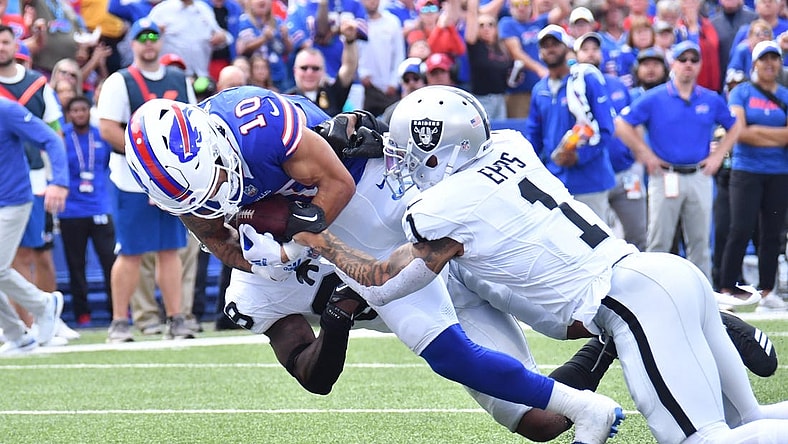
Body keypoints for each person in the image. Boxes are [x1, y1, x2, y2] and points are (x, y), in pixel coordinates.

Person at [124, 86, 626, 444]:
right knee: (539, 424)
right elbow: (223, 245)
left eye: (212, 179)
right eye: (196, 198)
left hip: (366, 204)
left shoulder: (257, 125)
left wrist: (295, 243)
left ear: (208, 141)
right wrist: (273, 261)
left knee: (548, 312)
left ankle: (624, 318)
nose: (214, 196)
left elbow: (337, 186)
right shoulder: (246, 282)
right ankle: (615, 342)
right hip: (340, 246)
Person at [294, 85, 788, 443]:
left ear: (435, 152)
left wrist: (321, 238)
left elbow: (382, 285)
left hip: (629, 301)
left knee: (700, 440)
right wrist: (384, 132)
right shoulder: (511, 143)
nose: (397, 163)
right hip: (665, 275)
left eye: (405, 152)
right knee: (749, 422)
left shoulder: (437, 211)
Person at [97, 17, 197, 342]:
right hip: (131, 177)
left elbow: (192, 125)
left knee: (171, 249)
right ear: (134, 44)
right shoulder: (119, 81)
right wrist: (150, 162)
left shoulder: (179, 79)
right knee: (130, 250)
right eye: (143, 37)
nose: (149, 42)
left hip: (171, 179)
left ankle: (176, 318)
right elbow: (109, 128)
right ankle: (119, 321)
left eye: (154, 36)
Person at [615, 40, 742, 282]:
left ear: (700, 65)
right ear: (673, 63)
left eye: (694, 60)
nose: (688, 65)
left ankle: (703, 300)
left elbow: (734, 126)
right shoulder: (655, 97)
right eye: (683, 59)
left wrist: (718, 156)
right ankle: (653, 295)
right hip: (665, 176)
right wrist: (645, 154)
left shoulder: (710, 98)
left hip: (699, 175)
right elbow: (621, 124)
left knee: (700, 243)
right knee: (659, 241)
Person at [721, 40, 788, 311]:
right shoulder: (742, 93)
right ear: (754, 63)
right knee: (740, 228)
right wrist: (778, 136)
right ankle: (727, 288)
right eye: (764, 59)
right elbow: (740, 131)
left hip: (779, 172)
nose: (770, 63)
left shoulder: (784, 93)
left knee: (773, 233)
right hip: (746, 170)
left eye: (775, 58)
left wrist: (755, 131)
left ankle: (766, 289)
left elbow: (750, 131)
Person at [525, 25, 616, 220]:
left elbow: (606, 128)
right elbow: (534, 136)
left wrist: (580, 156)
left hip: (590, 180)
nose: (550, 49)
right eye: (545, 45)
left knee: (598, 245)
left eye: (555, 44)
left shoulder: (586, 79)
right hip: (555, 182)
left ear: (566, 47)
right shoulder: (539, 89)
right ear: (539, 52)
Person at [0, 97, 67, 354]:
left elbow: (51, 139)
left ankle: (43, 305)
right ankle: (18, 336)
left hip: (13, 202)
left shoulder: (6, 109)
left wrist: (59, 181)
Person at [575, 32, 647, 251]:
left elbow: (632, 122)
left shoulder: (616, 84)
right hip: (593, 175)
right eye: (585, 49)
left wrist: (637, 156)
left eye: (595, 49)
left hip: (624, 170)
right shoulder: (572, 89)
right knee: (597, 243)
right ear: (575, 55)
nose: (591, 54)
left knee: (639, 235)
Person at [59, 96, 116, 327]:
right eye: (75, 111)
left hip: (99, 206)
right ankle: (83, 314)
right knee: (76, 265)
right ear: (69, 114)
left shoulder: (100, 134)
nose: (80, 114)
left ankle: (118, 311)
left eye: (83, 109)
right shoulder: (62, 137)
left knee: (110, 261)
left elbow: (104, 166)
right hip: (71, 211)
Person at [148, 0, 234, 79]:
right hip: (171, 75)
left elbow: (223, 36)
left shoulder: (204, 9)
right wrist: (155, 32)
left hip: (201, 75)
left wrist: (221, 37)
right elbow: (145, 35)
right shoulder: (161, 10)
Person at [463, 0, 511, 121]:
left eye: (490, 24)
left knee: (501, 133)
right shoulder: (475, 46)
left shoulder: (501, 48)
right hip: (482, 99)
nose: (486, 28)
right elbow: (472, 14)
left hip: (501, 98)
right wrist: (473, 5)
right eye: (481, 25)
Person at [286, 44, 358, 117]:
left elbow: (349, 67)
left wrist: (350, 41)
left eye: (315, 68)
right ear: (295, 71)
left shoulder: (333, 93)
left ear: (323, 71)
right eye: (304, 68)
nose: (309, 73)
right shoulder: (286, 101)